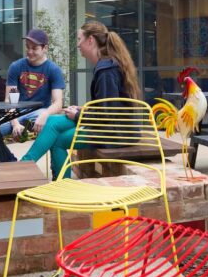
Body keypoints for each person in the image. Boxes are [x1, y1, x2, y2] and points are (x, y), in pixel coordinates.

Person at [20, 20, 141, 180]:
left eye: (79, 39)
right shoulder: (106, 66)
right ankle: (30, 169)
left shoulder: (107, 71)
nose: (78, 45)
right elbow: (106, 108)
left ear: (90, 40)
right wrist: (82, 110)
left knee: (57, 138)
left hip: (114, 133)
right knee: (53, 122)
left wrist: (79, 115)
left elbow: (107, 115)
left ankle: (27, 170)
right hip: (110, 128)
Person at [1, 28, 66, 138]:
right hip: (16, 114)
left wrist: (45, 115)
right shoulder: (15, 66)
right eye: (27, 47)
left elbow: (58, 103)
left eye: (34, 48)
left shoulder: (53, 70)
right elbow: (8, 100)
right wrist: (15, 124)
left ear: (45, 48)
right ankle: (7, 156)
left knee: (52, 122)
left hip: (38, 114)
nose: (30, 51)